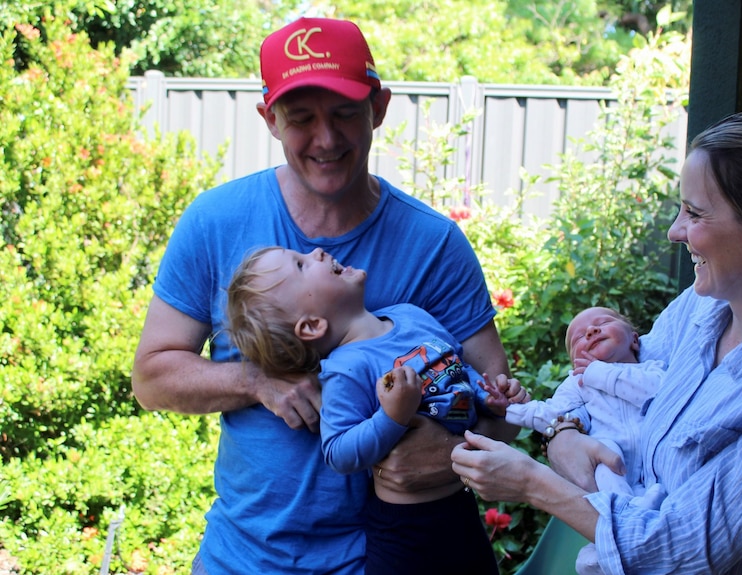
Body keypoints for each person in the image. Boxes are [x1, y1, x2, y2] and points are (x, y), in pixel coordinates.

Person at [131, 16, 515, 575]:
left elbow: (500, 415)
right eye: (301, 118)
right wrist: (255, 380)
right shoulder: (217, 221)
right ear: (269, 119)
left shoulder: (433, 244)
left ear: (378, 109)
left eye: (344, 114)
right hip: (243, 558)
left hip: (390, 557)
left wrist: (448, 452)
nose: (327, 139)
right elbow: (152, 376)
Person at [451, 108, 742, 574]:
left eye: (695, 213)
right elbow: (610, 391)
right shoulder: (700, 309)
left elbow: (678, 547)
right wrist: (561, 430)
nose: (675, 231)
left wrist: (532, 484)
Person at [225, 246, 528, 575]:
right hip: (407, 533)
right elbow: (338, 451)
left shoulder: (411, 315)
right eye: (301, 265)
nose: (317, 252)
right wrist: (391, 417)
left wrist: (490, 399)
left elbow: (457, 370)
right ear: (312, 325)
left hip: (461, 508)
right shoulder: (345, 370)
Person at [504, 306, 666, 574]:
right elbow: (551, 414)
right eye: (578, 338)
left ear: (634, 340)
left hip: (658, 471)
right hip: (618, 474)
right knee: (603, 455)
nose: (590, 331)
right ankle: (624, 519)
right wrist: (507, 409)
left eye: (603, 323)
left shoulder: (653, 369)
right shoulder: (577, 383)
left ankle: (615, 542)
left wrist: (597, 373)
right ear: (574, 362)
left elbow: (657, 391)